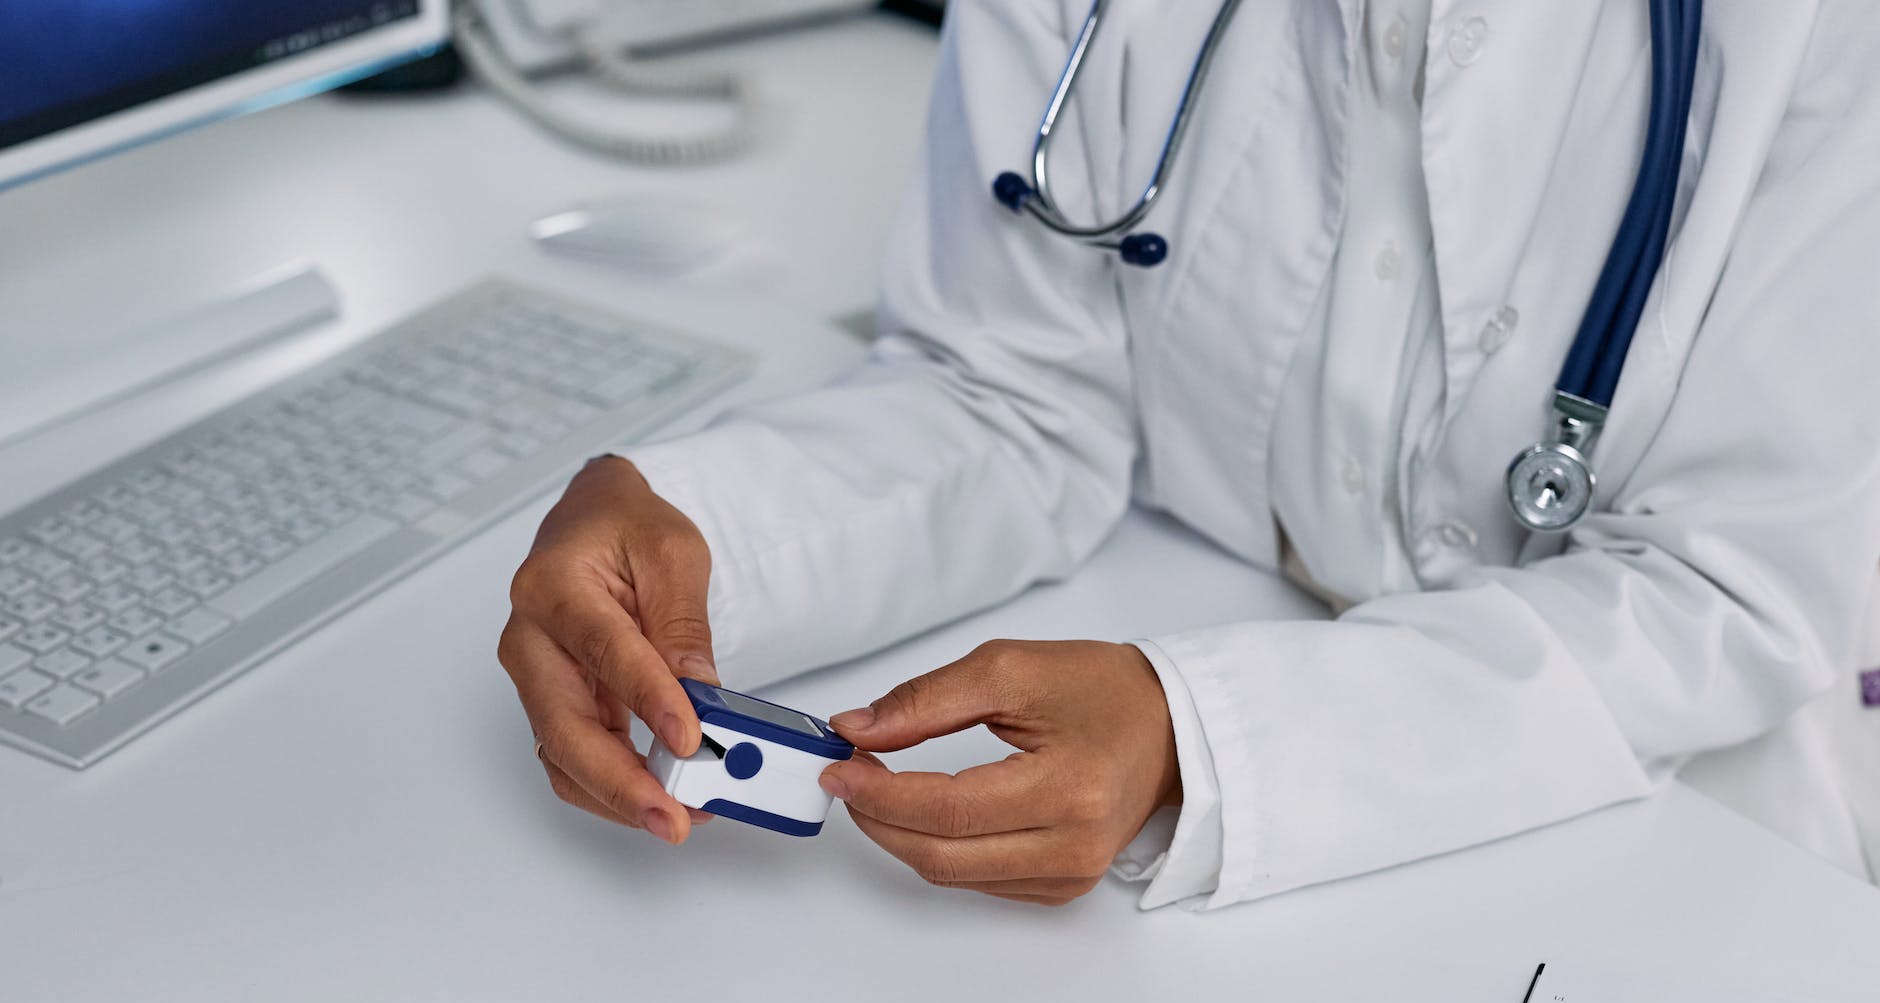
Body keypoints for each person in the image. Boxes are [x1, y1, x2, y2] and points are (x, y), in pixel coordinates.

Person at [498, 0, 1880, 908]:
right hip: (1215, 863)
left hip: (1687, 845)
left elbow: (1725, 592)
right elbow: (1014, 393)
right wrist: (699, 529)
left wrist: (1202, 738)